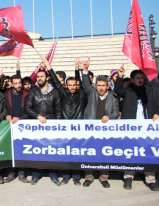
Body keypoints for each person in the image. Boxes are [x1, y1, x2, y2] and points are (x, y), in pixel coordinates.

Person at [114, 65, 159, 191]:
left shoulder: (149, 91)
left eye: (141, 78)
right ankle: (128, 177)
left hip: (147, 128)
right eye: (138, 78)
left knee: (148, 153)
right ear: (132, 80)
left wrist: (157, 113)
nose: (140, 80)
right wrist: (120, 76)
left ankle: (151, 179)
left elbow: (155, 105)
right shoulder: (128, 90)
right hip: (131, 129)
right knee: (131, 153)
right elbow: (118, 89)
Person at [43, 57, 86, 186]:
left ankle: (77, 176)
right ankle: (66, 176)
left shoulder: (81, 94)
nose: (72, 87)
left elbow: (83, 84)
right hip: (65, 128)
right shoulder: (62, 93)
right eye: (70, 85)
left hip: (78, 128)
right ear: (66, 85)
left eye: (75, 85)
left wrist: (78, 69)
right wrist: (48, 67)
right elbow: (56, 82)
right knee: (67, 153)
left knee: (77, 153)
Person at [80, 58, 119, 188]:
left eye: (103, 85)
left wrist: (109, 116)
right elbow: (85, 84)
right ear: (95, 86)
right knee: (89, 153)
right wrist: (85, 70)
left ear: (108, 85)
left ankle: (104, 178)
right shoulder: (91, 93)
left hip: (105, 130)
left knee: (104, 154)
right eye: (99, 85)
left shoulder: (113, 97)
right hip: (91, 129)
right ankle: (89, 177)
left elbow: (116, 112)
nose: (101, 88)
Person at [24, 68, 62, 186]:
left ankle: (53, 174)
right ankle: (35, 174)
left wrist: (57, 125)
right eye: (38, 77)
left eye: (42, 76)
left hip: (51, 127)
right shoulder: (33, 92)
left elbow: (58, 111)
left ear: (47, 78)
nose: (40, 78)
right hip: (37, 127)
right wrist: (38, 116)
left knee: (51, 151)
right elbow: (27, 108)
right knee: (37, 151)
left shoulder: (55, 92)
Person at [4, 75, 30, 183]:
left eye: (20, 83)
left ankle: (21, 173)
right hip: (11, 125)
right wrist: (7, 115)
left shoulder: (27, 94)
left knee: (22, 149)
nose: (18, 85)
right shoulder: (7, 94)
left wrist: (20, 118)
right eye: (16, 83)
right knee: (11, 150)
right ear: (12, 84)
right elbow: (5, 108)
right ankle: (11, 173)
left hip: (22, 124)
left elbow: (29, 110)